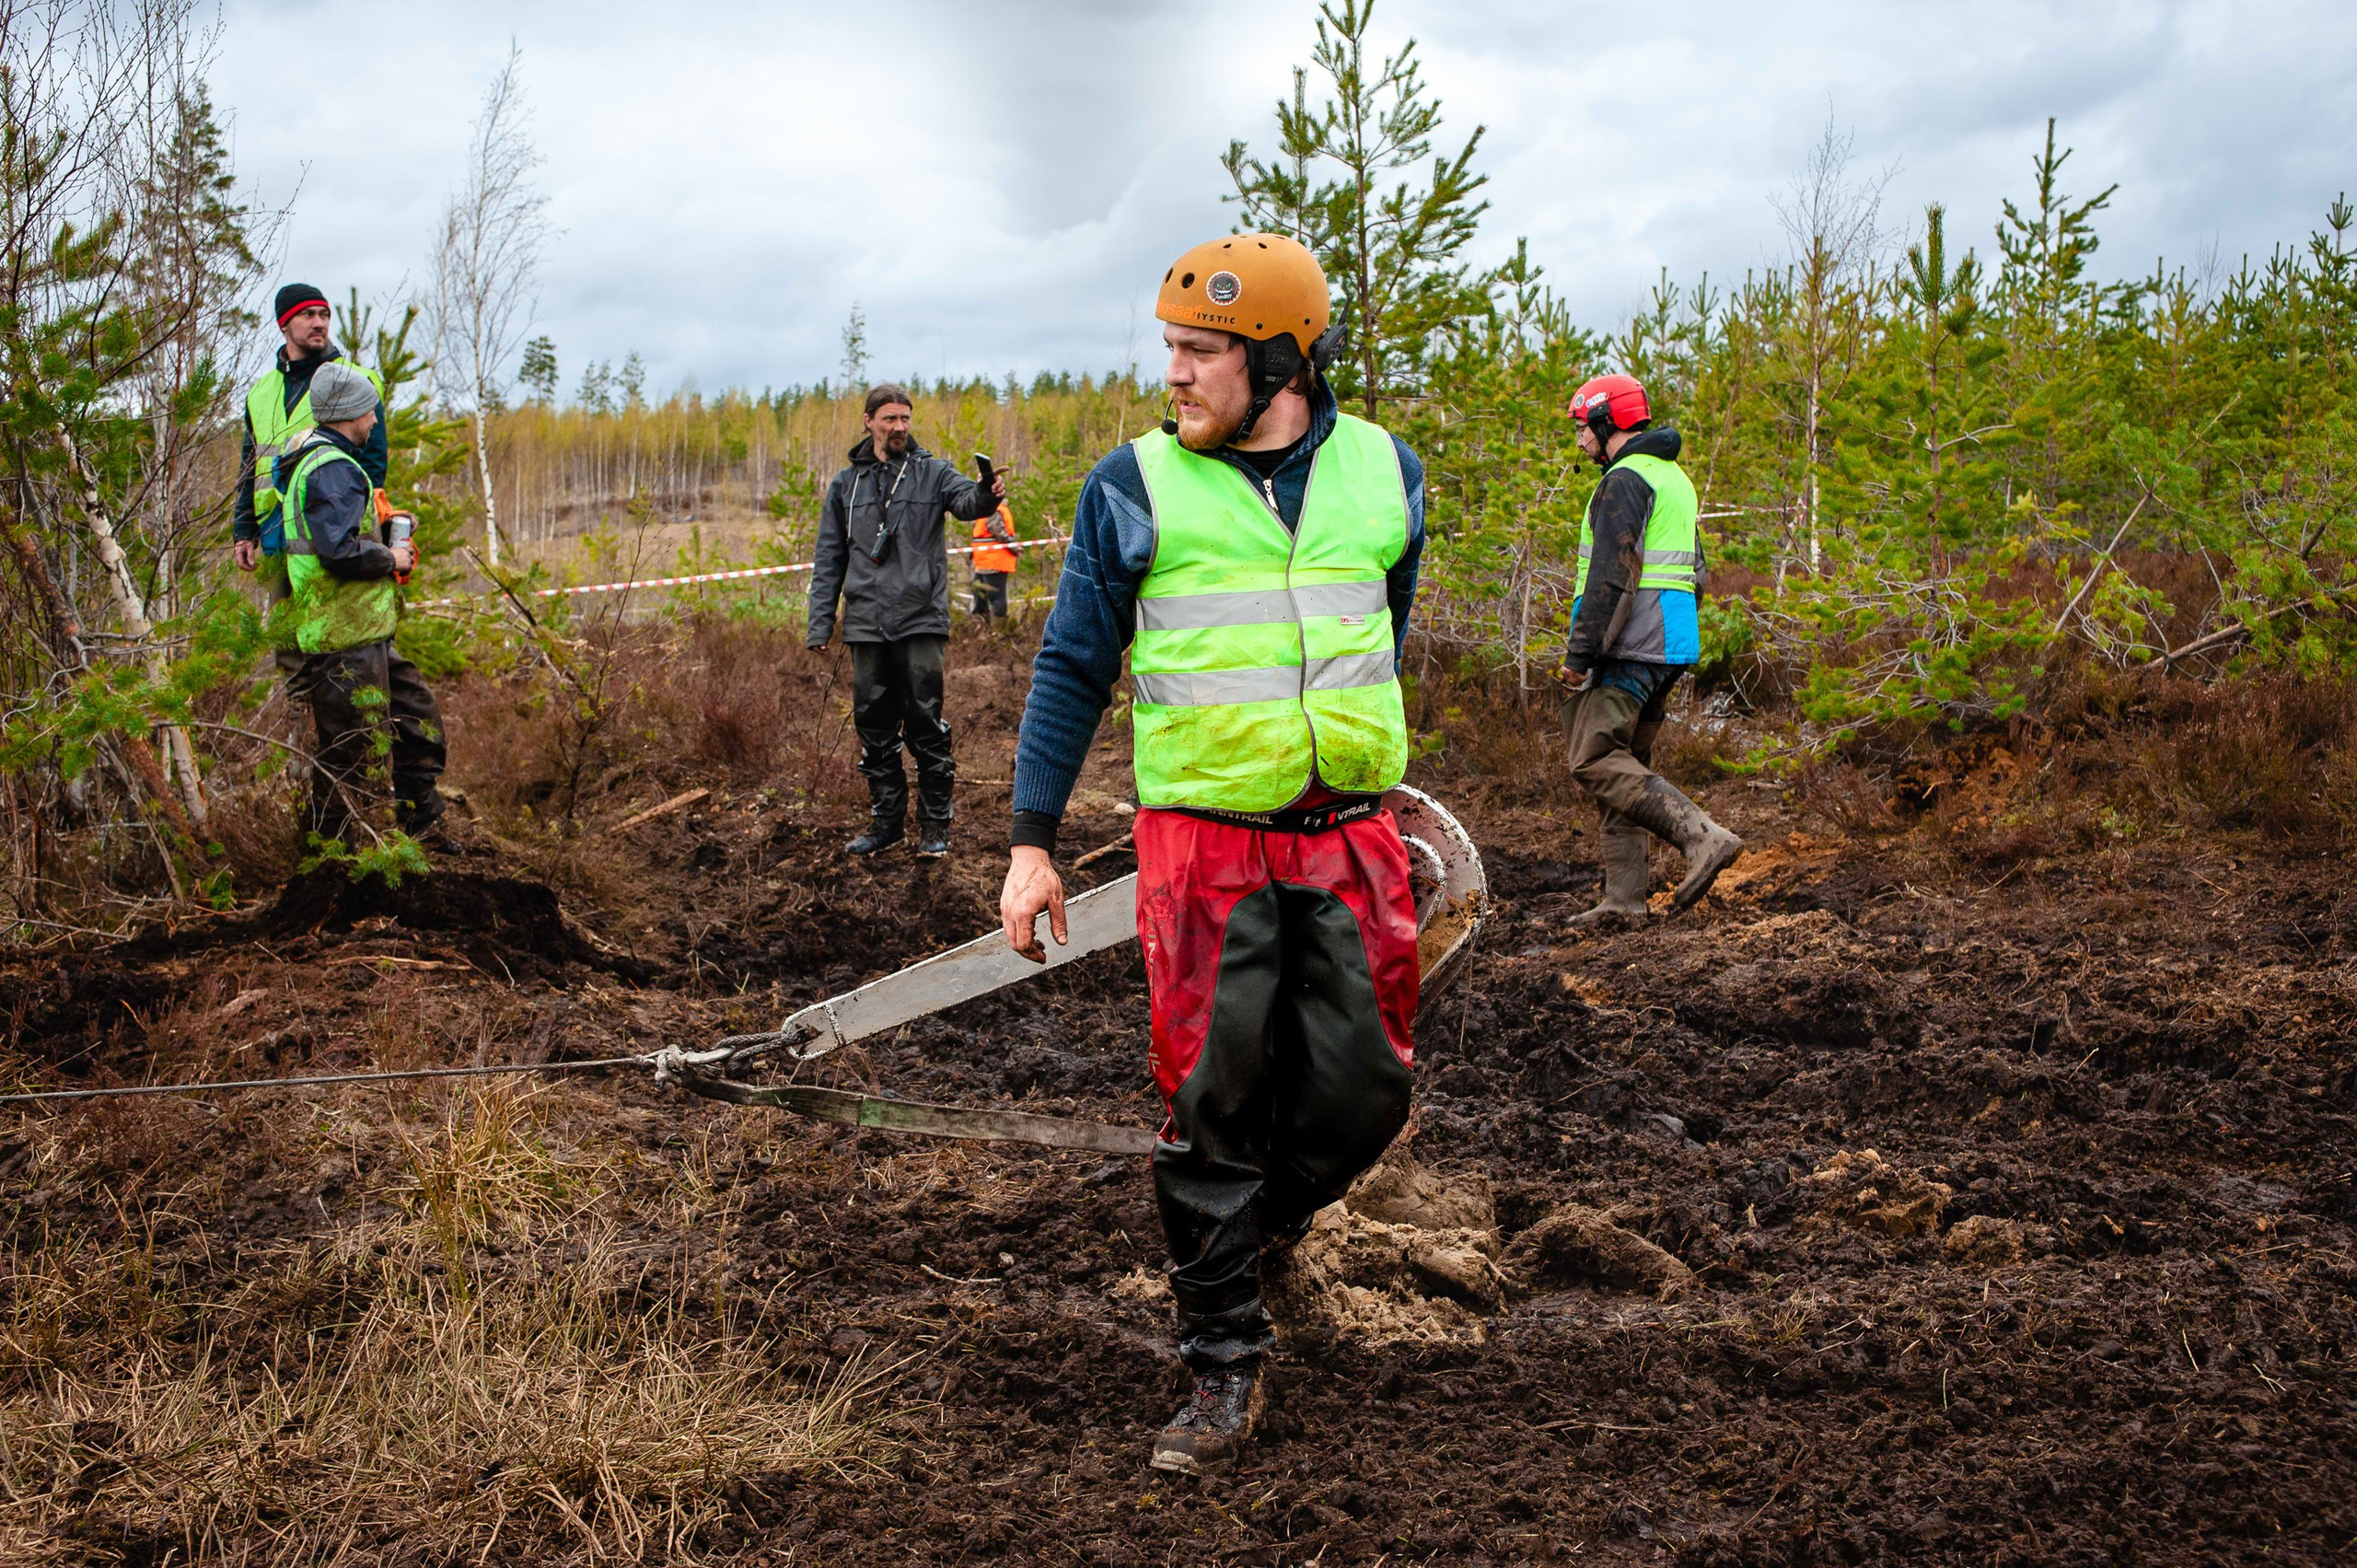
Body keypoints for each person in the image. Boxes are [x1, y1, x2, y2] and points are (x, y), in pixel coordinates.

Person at [996, 234, 1426, 1475]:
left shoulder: (1386, 472)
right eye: (1170, 348)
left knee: (1365, 1091)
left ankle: (1253, 1230)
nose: (1173, 374)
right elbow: (1073, 664)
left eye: (1200, 353)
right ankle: (1222, 1360)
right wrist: (1032, 846)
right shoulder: (1129, 487)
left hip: (1350, 834)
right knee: (1211, 1097)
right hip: (1203, 848)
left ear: (1282, 359)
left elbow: (1376, 635)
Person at [1551, 372, 1742, 926]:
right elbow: (1697, 573)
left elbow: (1611, 576)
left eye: (1584, 424)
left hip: (1630, 643)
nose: (1580, 437)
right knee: (1626, 764)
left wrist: (1580, 656)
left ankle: (1702, 838)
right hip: (1670, 641)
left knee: (1591, 758)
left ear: (1608, 421)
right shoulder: (1673, 478)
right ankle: (1625, 900)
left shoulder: (1624, 480)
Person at [807, 384, 1005, 858]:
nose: (899, 427)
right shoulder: (844, 485)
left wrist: (986, 493)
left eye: (905, 419)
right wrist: (820, 624)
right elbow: (829, 558)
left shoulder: (932, 472)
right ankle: (886, 825)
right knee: (873, 727)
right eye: (890, 419)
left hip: (919, 618)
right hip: (865, 623)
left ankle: (935, 829)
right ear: (869, 421)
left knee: (924, 722)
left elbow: (967, 503)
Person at [273, 362, 448, 849]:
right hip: (342, 640)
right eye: (370, 410)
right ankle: (331, 863)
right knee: (349, 755)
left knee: (416, 718)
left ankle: (421, 826)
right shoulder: (333, 469)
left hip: (360, 633)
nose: (375, 420)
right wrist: (389, 555)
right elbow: (337, 550)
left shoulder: (324, 460)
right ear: (350, 412)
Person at [231, 284, 389, 681]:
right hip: (276, 538)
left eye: (324, 315)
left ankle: (351, 733)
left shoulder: (356, 380)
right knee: (290, 653)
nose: (319, 323)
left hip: (333, 539)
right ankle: (304, 737)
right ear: (284, 323)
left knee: (345, 647)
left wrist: (350, 536)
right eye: (308, 315)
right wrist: (244, 529)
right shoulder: (261, 393)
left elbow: (371, 466)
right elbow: (251, 466)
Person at [969, 500, 1019, 620]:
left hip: (995, 560)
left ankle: (1000, 629)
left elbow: (998, 531)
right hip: (984, 560)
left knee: (995, 597)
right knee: (979, 594)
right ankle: (984, 630)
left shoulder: (993, 509)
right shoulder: (988, 507)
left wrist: (1014, 548)